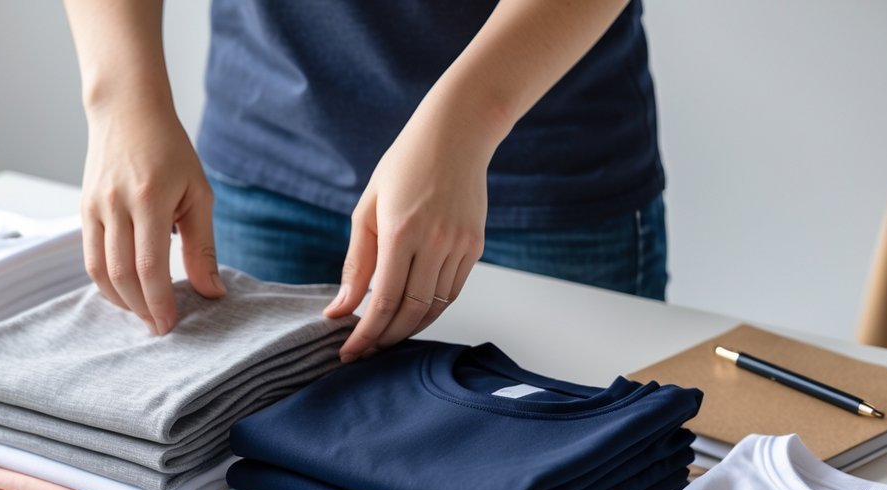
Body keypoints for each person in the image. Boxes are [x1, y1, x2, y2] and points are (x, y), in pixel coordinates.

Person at [63, 0, 666, 363]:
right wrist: (118, 98)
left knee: (578, 488)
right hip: (263, 151)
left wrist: (468, 122)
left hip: (531, 170)